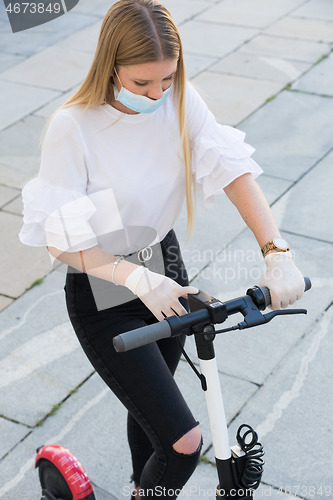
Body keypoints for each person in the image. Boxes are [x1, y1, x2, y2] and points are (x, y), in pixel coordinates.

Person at [19, 0, 305, 498]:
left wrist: (276, 251)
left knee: (152, 409)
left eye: (167, 79)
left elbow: (233, 170)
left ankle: (140, 486)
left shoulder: (180, 99)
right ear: (111, 66)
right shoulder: (75, 126)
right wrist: (135, 278)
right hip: (104, 283)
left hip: (162, 261)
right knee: (183, 443)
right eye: (142, 84)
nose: (158, 93)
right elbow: (60, 239)